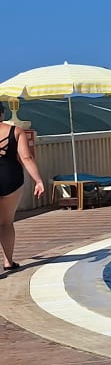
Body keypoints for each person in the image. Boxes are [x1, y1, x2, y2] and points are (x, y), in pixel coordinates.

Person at [0, 109, 45, 272]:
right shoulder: (16, 131)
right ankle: (8, 261)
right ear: (2, 113)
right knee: (6, 223)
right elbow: (27, 158)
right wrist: (38, 181)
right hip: (10, 178)